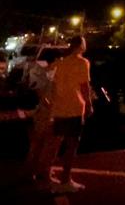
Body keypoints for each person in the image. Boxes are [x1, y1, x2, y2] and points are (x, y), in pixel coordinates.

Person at [38, 36, 93, 193]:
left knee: (55, 143)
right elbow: (85, 87)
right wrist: (89, 105)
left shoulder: (60, 62)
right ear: (81, 46)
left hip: (58, 108)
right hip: (75, 108)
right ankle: (65, 180)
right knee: (71, 146)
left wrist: (47, 101)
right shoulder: (82, 63)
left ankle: (46, 174)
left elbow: (47, 80)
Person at [26, 48, 60, 182]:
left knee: (39, 144)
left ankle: (33, 172)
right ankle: (43, 172)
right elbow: (41, 94)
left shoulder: (40, 71)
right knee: (48, 144)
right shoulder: (42, 72)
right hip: (47, 112)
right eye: (58, 59)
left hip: (44, 112)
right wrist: (52, 107)